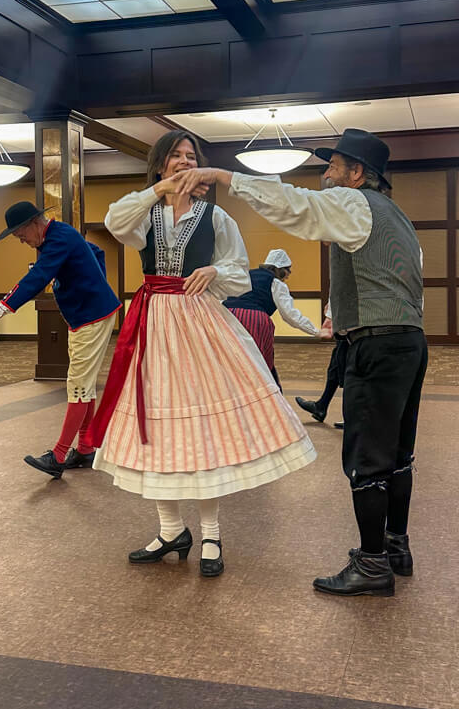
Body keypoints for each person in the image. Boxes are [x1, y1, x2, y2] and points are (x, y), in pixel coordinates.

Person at [174, 128, 426, 599]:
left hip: (376, 342)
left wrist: (226, 176)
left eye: (332, 166)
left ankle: (372, 564)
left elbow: (296, 205)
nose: (325, 174)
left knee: (367, 457)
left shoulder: (354, 203)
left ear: (357, 173)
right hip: (410, 339)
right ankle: (396, 547)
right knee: (398, 452)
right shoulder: (401, 219)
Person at [89, 130, 315, 578]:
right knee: (154, 426)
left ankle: (211, 533)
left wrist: (213, 270)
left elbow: (238, 276)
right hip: (153, 324)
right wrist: (158, 190)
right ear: (159, 165)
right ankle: (171, 529)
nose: (184, 162)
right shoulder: (145, 213)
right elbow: (114, 222)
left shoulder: (216, 218)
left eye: (191, 156)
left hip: (198, 324)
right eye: (175, 156)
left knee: (202, 429)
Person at [0, 200, 121, 477]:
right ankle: (86, 448)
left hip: (90, 316)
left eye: (20, 234)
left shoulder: (58, 239)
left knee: (77, 384)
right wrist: (97, 286)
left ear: (33, 223)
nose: (21, 240)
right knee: (84, 384)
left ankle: (59, 455)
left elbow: (38, 277)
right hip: (91, 313)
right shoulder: (60, 235)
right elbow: (96, 252)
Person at [224, 248, 317, 386]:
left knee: (231, 361)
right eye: (288, 270)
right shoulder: (276, 283)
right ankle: (270, 398)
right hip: (252, 319)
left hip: (227, 316)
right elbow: (290, 315)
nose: (289, 275)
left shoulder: (246, 275)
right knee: (260, 364)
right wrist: (316, 331)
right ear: (280, 269)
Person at [295, 300, 346, 430]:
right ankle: (321, 407)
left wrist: (329, 315)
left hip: (351, 324)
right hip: (347, 322)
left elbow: (339, 289)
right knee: (336, 365)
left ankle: (350, 416)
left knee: (347, 369)